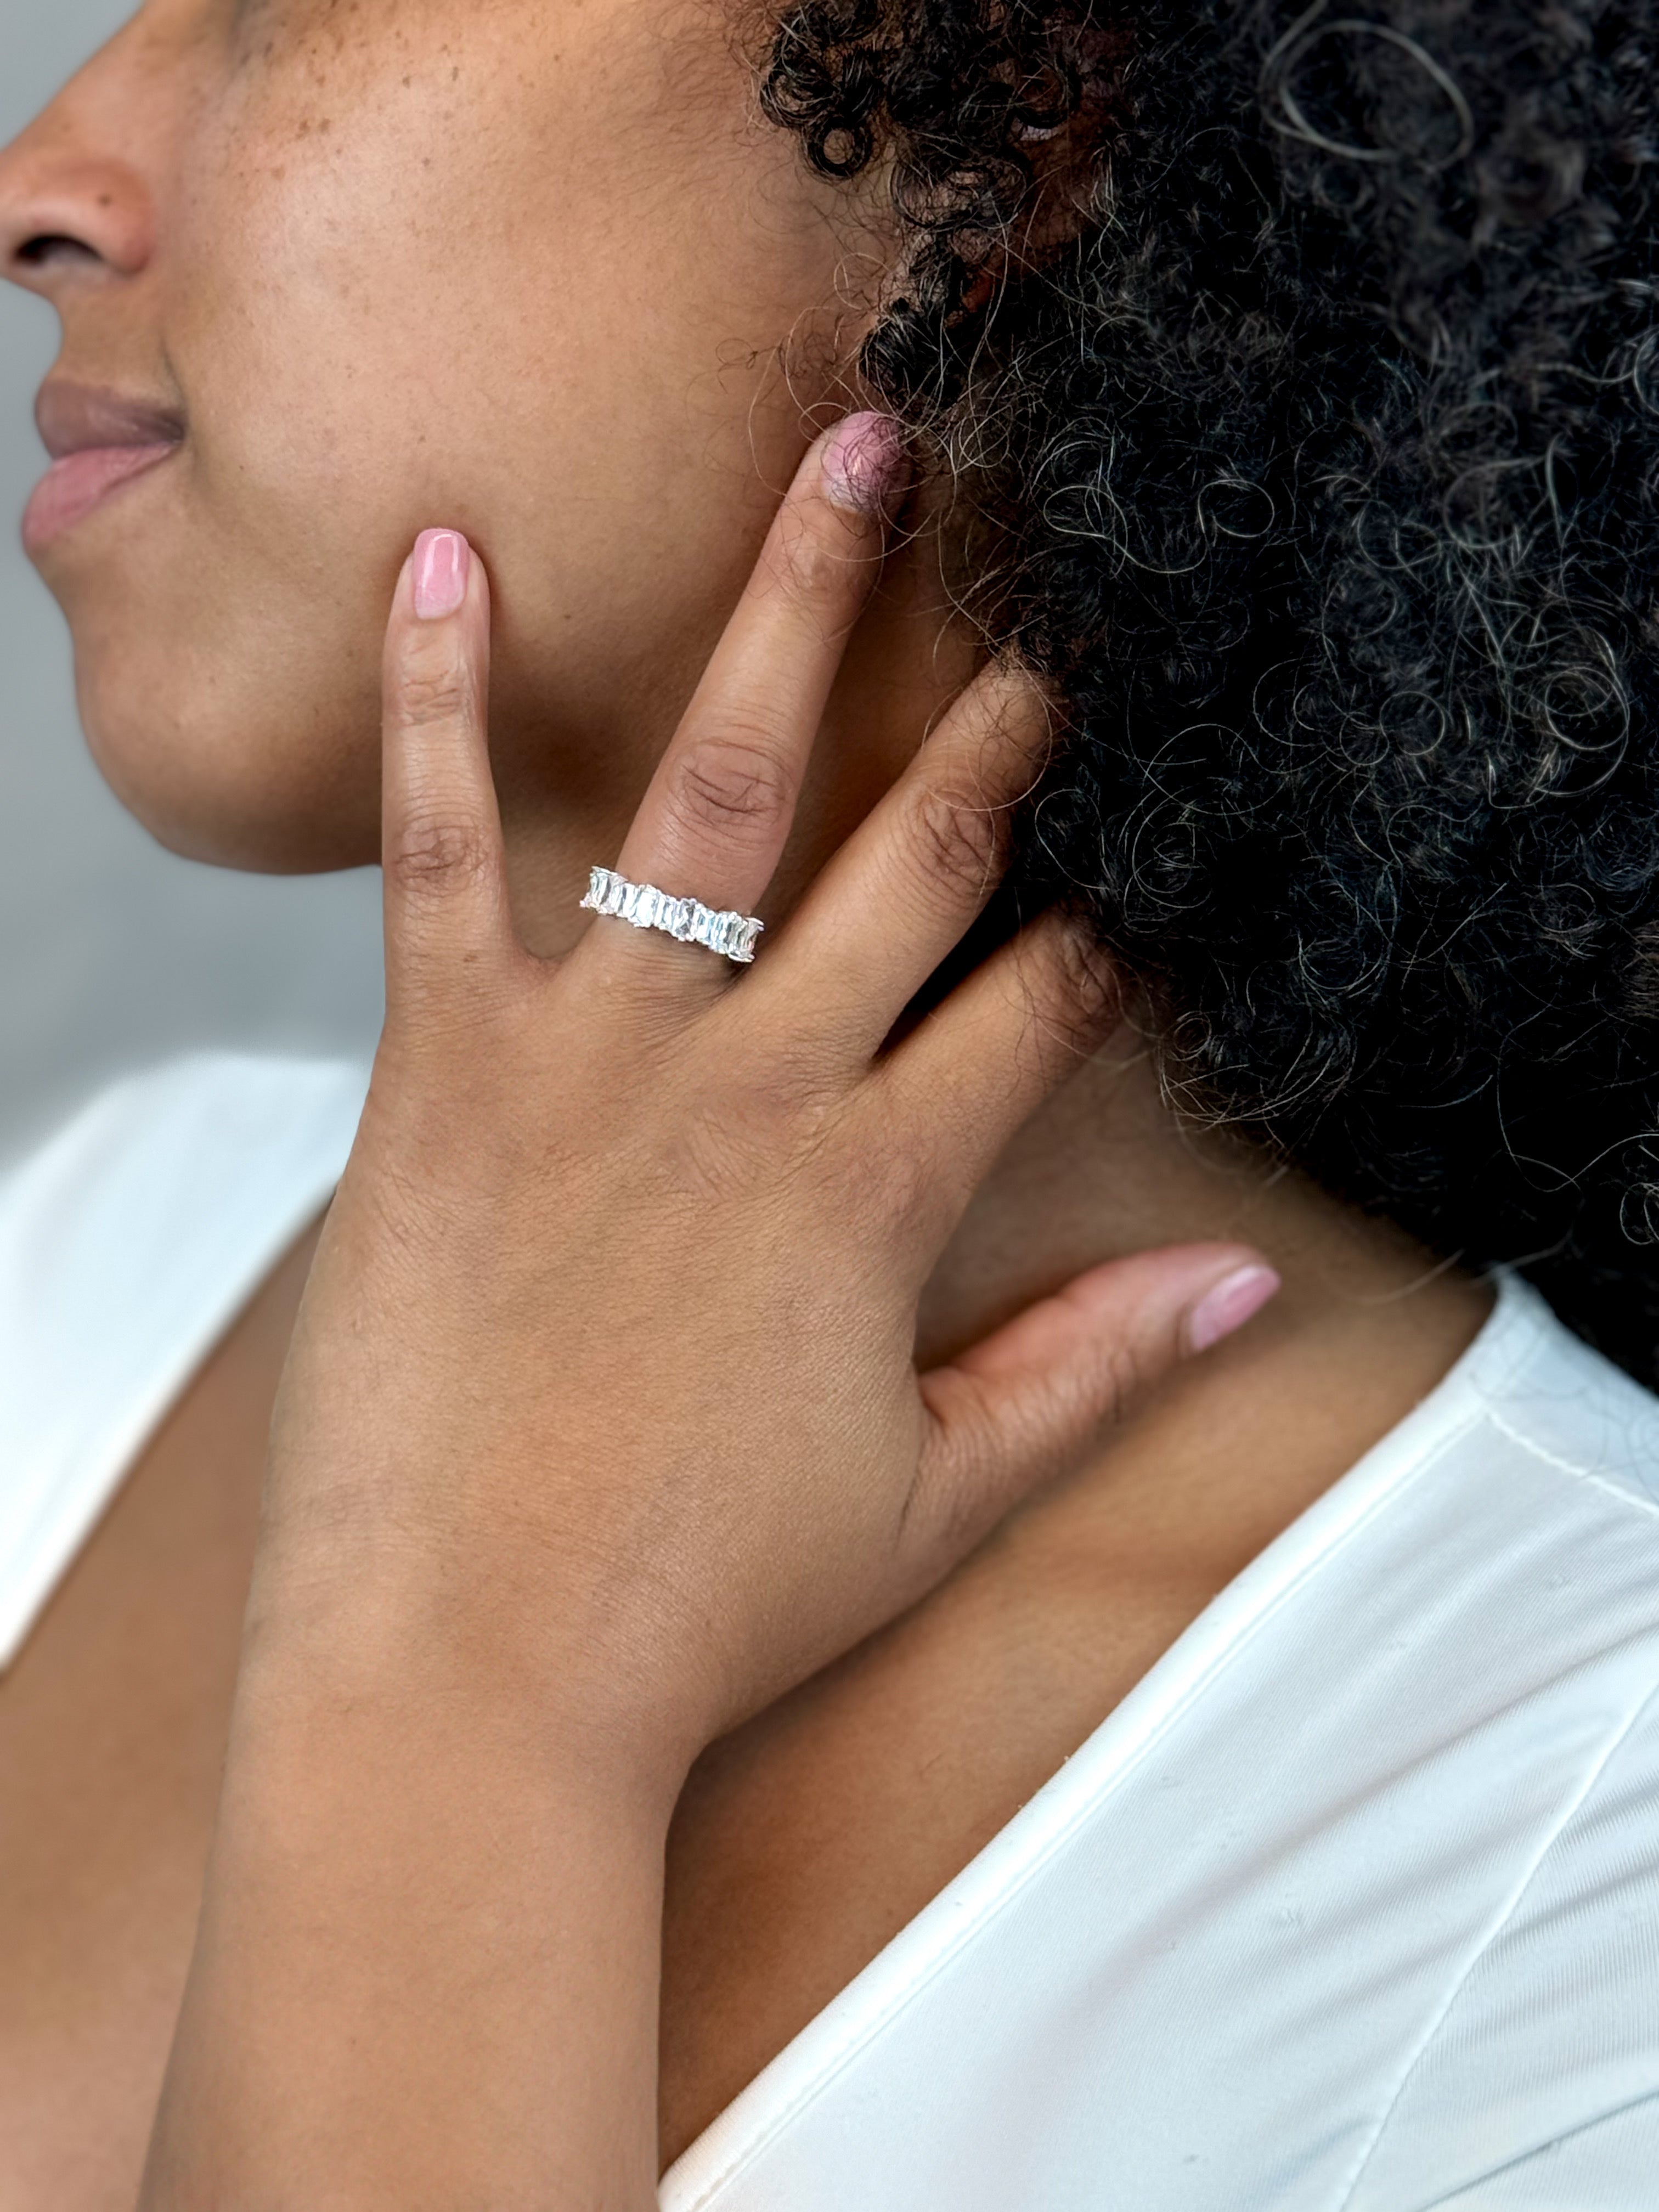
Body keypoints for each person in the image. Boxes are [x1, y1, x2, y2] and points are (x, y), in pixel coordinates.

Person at [1, 0, 1656, 2204]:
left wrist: (470, 1699)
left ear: (1028, 104)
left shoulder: (1570, 1877)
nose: (46, 174)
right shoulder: (93, 1249)